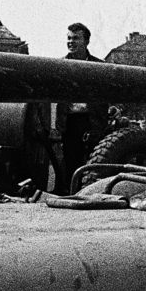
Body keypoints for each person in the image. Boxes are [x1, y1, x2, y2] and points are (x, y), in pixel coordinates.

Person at [61, 22, 108, 188]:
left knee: (92, 165)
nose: (71, 42)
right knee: (69, 165)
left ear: (86, 42)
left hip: (92, 122)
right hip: (68, 123)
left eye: (75, 38)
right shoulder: (59, 66)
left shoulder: (100, 67)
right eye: (68, 38)